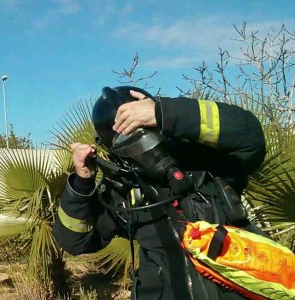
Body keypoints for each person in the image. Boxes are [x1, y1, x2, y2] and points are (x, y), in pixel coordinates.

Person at [53, 86, 266, 300]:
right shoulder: (124, 191)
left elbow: (250, 134)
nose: (145, 148)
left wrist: (164, 112)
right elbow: (74, 241)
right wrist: (81, 184)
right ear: (114, 150)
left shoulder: (210, 163)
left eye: (147, 131)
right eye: (129, 141)